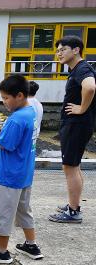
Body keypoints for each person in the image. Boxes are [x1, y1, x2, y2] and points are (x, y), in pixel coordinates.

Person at [0, 74, 43, 264]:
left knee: (4, 213)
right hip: (24, 173)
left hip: (9, 174)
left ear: (20, 95)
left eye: (6, 98)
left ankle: (1, 251)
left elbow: (5, 144)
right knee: (24, 210)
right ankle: (31, 244)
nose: (4, 102)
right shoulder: (30, 111)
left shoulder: (15, 120)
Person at [49, 36, 96, 224]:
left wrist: (81, 108)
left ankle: (74, 211)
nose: (59, 53)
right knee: (73, 165)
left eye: (63, 49)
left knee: (69, 166)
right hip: (78, 124)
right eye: (58, 50)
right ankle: (73, 204)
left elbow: (91, 87)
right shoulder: (78, 69)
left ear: (76, 50)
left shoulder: (82, 68)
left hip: (77, 124)